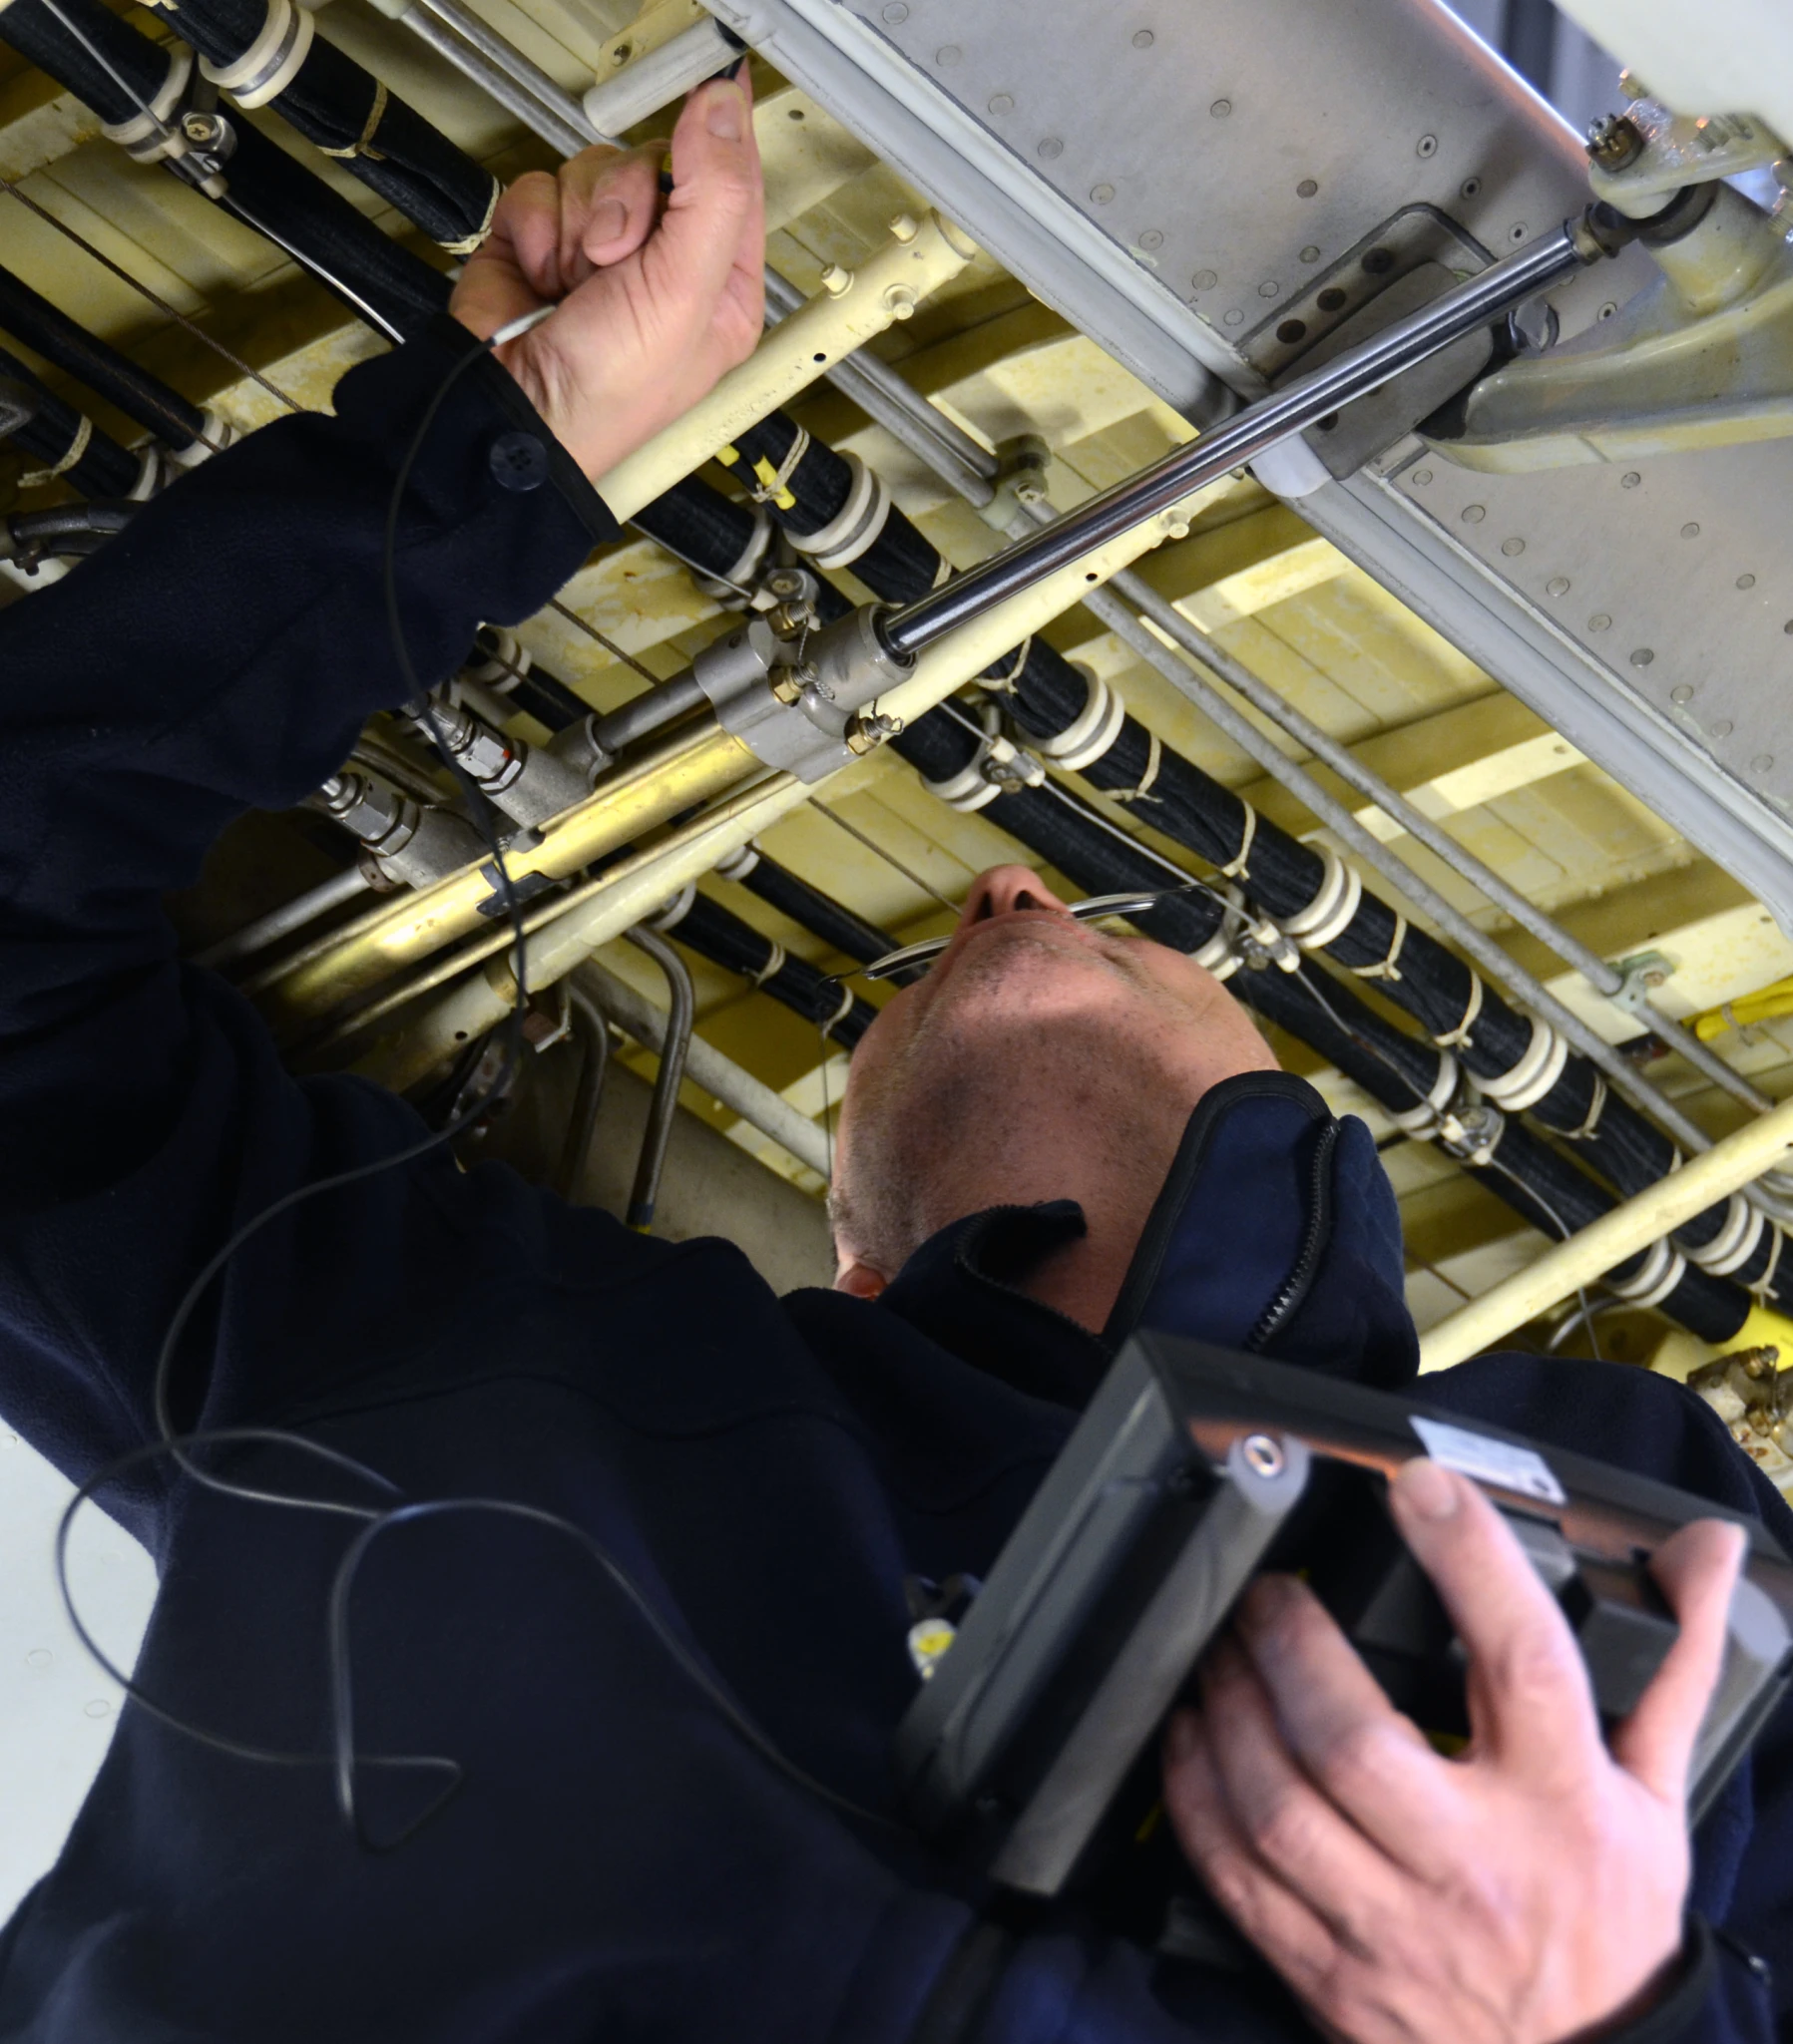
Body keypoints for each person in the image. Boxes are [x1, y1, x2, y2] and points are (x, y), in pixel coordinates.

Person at [0, 75, 1786, 2044]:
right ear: (846, 1260)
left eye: (1118, 929)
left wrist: (1610, 2014)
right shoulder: (449, 1346)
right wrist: (475, 462)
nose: (1004, 882)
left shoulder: (1630, 1544)